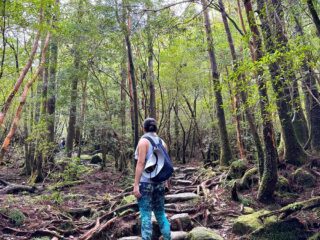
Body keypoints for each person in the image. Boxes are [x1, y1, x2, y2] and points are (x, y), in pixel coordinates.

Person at [133, 118, 171, 240]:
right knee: (160, 213)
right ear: (156, 128)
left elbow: (140, 163)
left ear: (143, 128)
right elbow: (166, 164)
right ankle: (167, 238)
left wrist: (135, 185)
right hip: (160, 183)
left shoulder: (143, 141)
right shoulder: (162, 142)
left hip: (145, 184)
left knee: (145, 215)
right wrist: (167, 182)